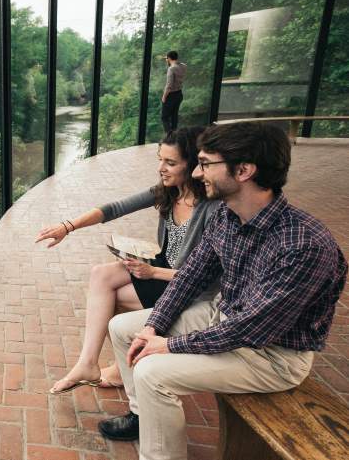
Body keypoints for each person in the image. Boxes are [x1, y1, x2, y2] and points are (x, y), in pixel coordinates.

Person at [100, 122, 347, 460]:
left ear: (244, 170)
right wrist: (152, 326)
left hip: (272, 355)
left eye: (205, 163)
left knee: (152, 372)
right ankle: (143, 417)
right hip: (222, 319)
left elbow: (252, 329)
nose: (198, 172)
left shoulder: (304, 245)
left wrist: (169, 345)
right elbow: (191, 277)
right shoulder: (227, 216)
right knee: (123, 329)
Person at [36, 126, 220, 393]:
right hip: (162, 267)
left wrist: (152, 273)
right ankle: (89, 362)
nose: (161, 168)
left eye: (170, 162)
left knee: (112, 298)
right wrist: (68, 226)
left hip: (187, 286)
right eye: (160, 159)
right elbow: (115, 208)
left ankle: (127, 364)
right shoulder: (170, 192)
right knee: (101, 274)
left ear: (193, 165)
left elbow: (208, 277)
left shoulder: (212, 208)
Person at [161, 51, 186, 133]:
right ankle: (174, 136)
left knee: (164, 117)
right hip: (179, 94)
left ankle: (169, 138)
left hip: (171, 95)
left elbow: (169, 85)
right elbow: (181, 64)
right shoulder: (183, 66)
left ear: (169, 58)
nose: (166, 60)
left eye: (166, 58)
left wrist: (164, 97)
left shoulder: (171, 69)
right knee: (174, 116)